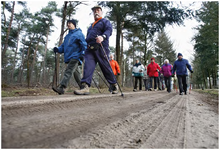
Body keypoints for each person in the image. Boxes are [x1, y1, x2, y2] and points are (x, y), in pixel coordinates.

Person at [74, 5, 118, 95]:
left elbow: (109, 30)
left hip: (101, 48)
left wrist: (103, 36)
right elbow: (88, 38)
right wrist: (84, 46)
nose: (96, 12)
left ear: (101, 12)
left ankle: (114, 84)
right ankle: (85, 86)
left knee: (105, 67)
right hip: (90, 49)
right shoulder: (91, 26)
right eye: (94, 11)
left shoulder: (105, 21)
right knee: (88, 67)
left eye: (98, 10)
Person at [53, 19, 87, 95]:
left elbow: (84, 45)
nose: (68, 24)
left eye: (70, 23)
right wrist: (57, 49)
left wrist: (83, 54)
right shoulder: (67, 36)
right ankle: (83, 87)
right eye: (67, 23)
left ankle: (62, 87)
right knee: (76, 73)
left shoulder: (79, 33)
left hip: (76, 56)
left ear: (74, 25)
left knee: (68, 71)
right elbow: (63, 47)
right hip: (69, 57)